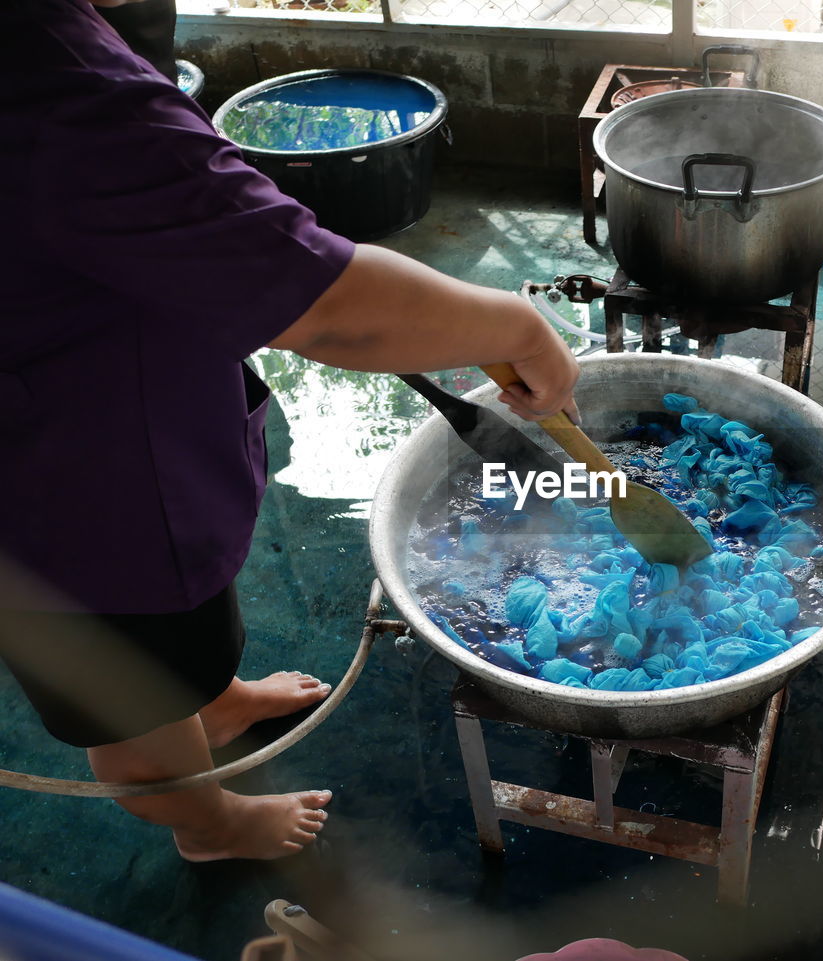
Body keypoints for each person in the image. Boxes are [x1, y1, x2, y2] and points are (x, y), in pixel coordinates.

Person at [0, 0, 579, 862]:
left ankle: (212, 700)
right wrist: (517, 329)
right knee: (131, 711)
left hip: (119, 423)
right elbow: (326, 305)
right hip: (69, 502)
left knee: (184, 628)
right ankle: (209, 825)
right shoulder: (50, 87)